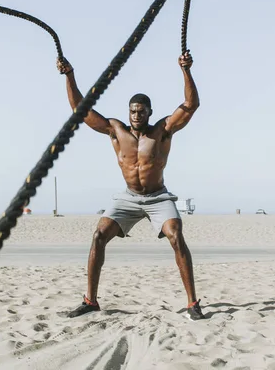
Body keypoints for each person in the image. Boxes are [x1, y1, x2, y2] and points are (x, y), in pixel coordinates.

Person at [56, 51, 205, 321]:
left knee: (175, 235)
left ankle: (193, 303)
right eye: (133, 111)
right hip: (128, 198)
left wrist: (186, 70)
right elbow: (81, 110)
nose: (137, 115)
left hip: (158, 197)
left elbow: (190, 104)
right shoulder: (116, 130)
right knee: (99, 235)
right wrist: (70, 75)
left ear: (150, 112)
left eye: (141, 111)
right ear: (129, 112)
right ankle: (90, 301)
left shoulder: (162, 131)